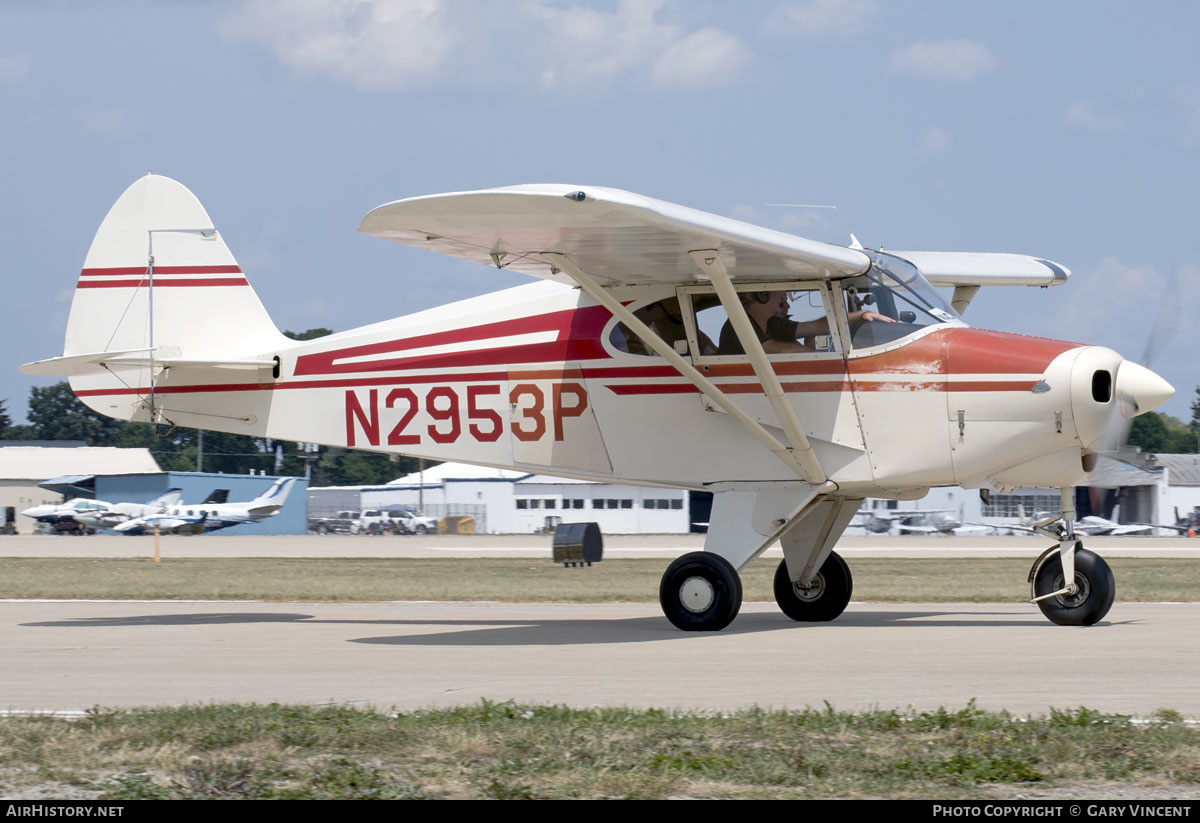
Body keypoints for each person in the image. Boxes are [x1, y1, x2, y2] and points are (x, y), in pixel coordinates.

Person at [717, 290, 893, 355]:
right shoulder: (738, 325)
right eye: (782, 298)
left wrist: (860, 315)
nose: (786, 304)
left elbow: (817, 326)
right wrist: (808, 352)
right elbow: (770, 349)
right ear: (763, 295)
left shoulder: (773, 324)